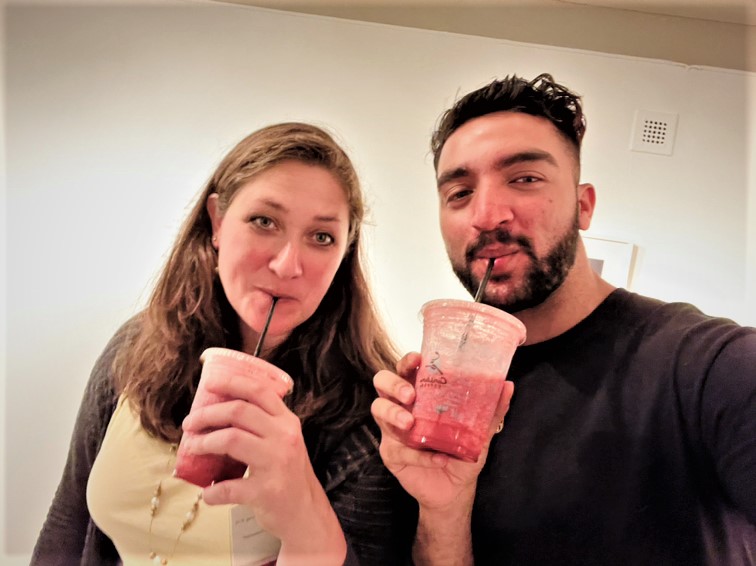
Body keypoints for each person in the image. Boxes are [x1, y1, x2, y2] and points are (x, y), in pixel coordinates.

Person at [371, 73, 756, 565]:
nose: (487, 214)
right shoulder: (446, 399)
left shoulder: (707, 366)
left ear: (583, 205)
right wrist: (443, 512)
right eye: (460, 192)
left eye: (524, 178)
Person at [32, 122, 416, 566]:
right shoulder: (135, 348)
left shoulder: (366, 420)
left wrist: (306, 521)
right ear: (216, 222)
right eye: (264, 221)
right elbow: (69, 518)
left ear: (343, 254)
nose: (288, 264)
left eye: (322, 237)